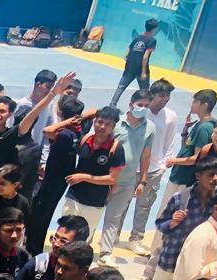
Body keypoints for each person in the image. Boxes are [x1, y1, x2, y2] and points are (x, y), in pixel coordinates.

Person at [99, 89, 154, 261]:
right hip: (106, 179)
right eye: (140, 104)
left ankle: (105, 253)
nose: (143, 108)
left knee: (113, 218)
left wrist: (142, 180)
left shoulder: (150, 127)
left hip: (128, 181)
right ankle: (83, 245)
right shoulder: (116, 123)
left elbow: (145, 155)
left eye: (146, 105)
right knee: (94, 212)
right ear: (131, 104)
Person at [127, 80, 179, 254]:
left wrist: (163, 165)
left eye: (168, 95)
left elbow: (169, 141)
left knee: (144, 206)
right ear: (153, 95)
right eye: (162, 95)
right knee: (122, 203)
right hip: (133, 167)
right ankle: (114, 235)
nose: (166, 98)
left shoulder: (171, 116)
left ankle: (135, 239)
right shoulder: (141, 112)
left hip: (154, 169)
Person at [61, 107, 127, 234]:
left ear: (113, 127)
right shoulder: (85, 139)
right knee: (65, 232)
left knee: (84, 237)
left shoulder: (116, 148)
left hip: (95, 201)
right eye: (100, 122)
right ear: (94, 121)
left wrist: (83, 177)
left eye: (108, 124)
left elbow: (112, 179)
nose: (102, 127)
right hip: (73, 196)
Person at [110, 18, 158, 107]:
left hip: (130, 67)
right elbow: (145, 56)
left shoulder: (137, 38)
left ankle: (112, 105)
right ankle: (145, 107)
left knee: (121, 87)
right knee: (144, 90)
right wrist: (143, 72)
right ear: (154, 29)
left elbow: (129, 49)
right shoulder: (152, 40)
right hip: (140, 68)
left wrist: (127, 58)